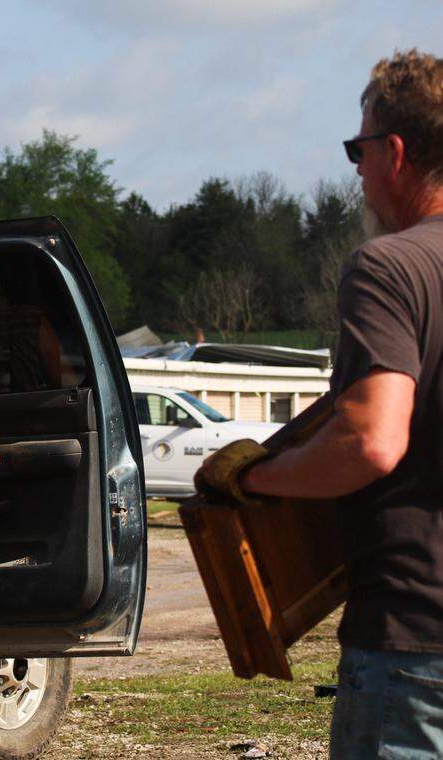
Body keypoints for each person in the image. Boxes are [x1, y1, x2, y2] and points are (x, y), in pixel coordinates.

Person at [196, 49, 443, 758]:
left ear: (394, 151)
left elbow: (371, 441)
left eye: (358, 149)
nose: (356, 170)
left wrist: (251, 477)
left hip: (414, 646)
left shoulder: (390, 265)